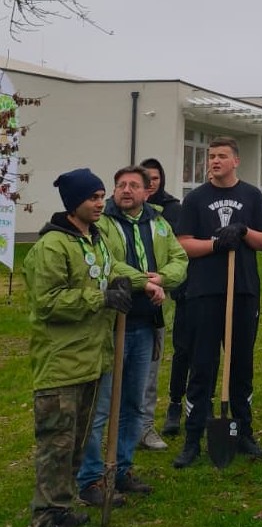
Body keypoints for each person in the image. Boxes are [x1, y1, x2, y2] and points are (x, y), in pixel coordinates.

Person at [22, 169, 148, 527]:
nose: (100, 203)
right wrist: (101, 298)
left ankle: (61, 508)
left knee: (75, 445)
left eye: (100, 196)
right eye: (93, 197)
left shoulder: (95, 240)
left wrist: (128, 282)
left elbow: (106, 272)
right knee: (56, 448)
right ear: (73, 202)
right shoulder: (52, 246)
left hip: (91, 361)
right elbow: (47, 302)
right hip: (61, 365)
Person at [76, 166, 186, 506]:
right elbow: (108, 264)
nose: (126, 190)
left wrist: (162, 278)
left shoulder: (159, 223)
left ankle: (120, 468)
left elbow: (180, 259)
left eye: (133, 185)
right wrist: (145, 282)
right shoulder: (102, 224)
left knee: (133, 403)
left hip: (145, 324)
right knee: (102, 406)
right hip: (111, 325)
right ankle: (91, 478)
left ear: (146, 191)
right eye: (120, 184)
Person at [173, 137, 262, 468]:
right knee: (202, 366)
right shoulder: (196, 199)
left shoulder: (252, 195)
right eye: (211, 156)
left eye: (221, 156)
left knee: (241, 366)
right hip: (204, 292)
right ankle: (192, 439)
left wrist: (242, 231)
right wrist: (216, 245)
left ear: (235, 161)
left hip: (242, 291)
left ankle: (243, 432)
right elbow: (183, 244)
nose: (215, 161)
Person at [138, 158, 185, 451]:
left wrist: (164, 278)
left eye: (155, 178)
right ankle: (121, 427)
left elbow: (178, 255)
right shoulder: (112, 219)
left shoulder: (165, 216)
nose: (151, 184)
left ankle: (144, 426)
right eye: (146, 179)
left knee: (150, 369)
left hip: (157, 303)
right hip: (122, 303)